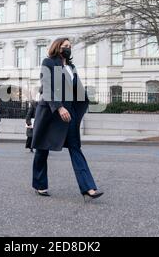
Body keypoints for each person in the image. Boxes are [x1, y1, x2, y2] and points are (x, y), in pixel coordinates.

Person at [31, 38, 103, 200]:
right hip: (51, 112)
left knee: (75, 148)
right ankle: (40, 184)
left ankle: (88, 187)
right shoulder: (49, 62)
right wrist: (59, 107)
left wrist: (78, 108)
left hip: (69, 114)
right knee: (42, 149)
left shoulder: (71, 67)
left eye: (70, 47)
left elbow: (76, 91)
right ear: (57, 47)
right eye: (65, 46)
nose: (68, 49)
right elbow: (47, 87)